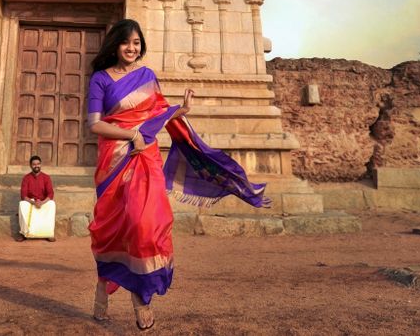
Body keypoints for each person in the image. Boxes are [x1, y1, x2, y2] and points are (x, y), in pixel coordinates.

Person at [86, 19, 271, 330]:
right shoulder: (101, 80)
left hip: (145, 161)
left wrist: (179, 111)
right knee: (114, 229)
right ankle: (103, 287)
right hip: (115, 161)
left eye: (137, 43)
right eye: (126, 42)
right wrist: (131, 135)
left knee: (145, 224)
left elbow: (157, 112)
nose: (132, 48)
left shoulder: (146, 76)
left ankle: (141, 297)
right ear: (114, 44)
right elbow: (95, 125)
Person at [17, 155, 55, 242]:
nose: (36, 166)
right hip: (31, 202)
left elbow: (50, 193)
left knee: (52, 204)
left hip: (42, 202)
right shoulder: (26, 178)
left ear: (41, 165)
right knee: (22, 204)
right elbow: (23, 195)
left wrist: (41, 202)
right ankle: (24, 233)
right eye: (34, 164)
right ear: (30, 166)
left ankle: (49, 233)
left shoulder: (46, 177)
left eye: (38, 164)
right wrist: (33, 202)